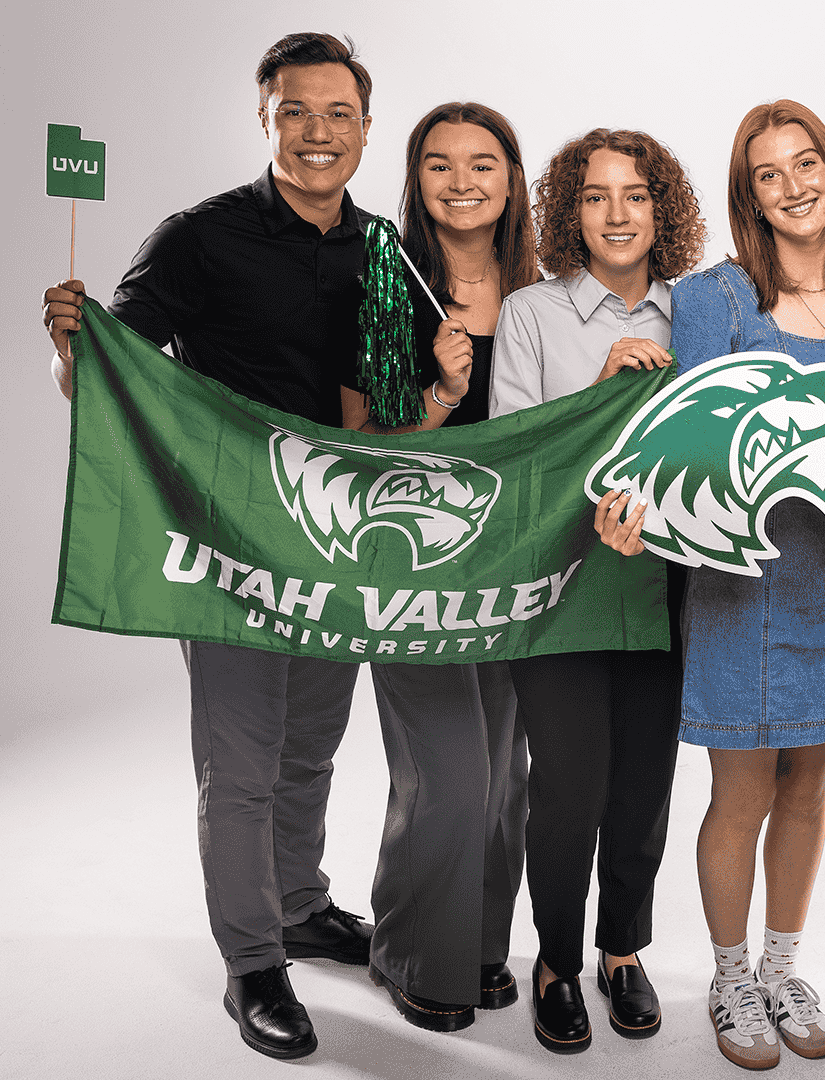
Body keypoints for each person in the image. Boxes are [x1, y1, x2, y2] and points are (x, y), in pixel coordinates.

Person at [36, 31, 496, 1058]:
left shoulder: (386, 250)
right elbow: (110, 380)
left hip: (334, 545)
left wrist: (447, 385)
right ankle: (253, 965)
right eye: (297, 110)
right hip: (233, 546)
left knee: (311, 745)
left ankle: (297, 902)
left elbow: (397, 417)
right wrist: (74, 350)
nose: (319, 132)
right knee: (240, 761)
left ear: (367, 128)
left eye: (339, 114)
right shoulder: (199, 237)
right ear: (265, 118)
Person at [643, 98, 825, 1070]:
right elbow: (700, 442)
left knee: (811, 789)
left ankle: (785, 969)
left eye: (807, 165)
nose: (793, 187)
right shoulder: (716, 297)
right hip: (740, 586)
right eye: (767, 174)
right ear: (748, 195)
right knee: (743, 792)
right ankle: (728, 976)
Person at [491, 126, 705, 1055]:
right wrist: (600, 396)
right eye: (595, 195)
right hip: (562, 589)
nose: (617, 214)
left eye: (636, 194)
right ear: (569, 212)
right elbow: (515, 462)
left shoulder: (695, 315)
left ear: (663, 210)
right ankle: (555, 960)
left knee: (642, 788)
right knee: (568, 790)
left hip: (665, 585)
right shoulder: (532, 315)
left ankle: (624, 950)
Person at [338, 100, 545, 1016]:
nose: (462, 183)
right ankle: (413, 955)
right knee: (449, 771)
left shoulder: (547, 298)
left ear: (513, 181)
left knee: (506, 776)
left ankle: (478, 945)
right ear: (415, 180)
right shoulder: (387, 288)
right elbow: (356, 446)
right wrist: (439, 394)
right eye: (439, 164)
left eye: (483, 163)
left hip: (520, 569)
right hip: (411, 567)